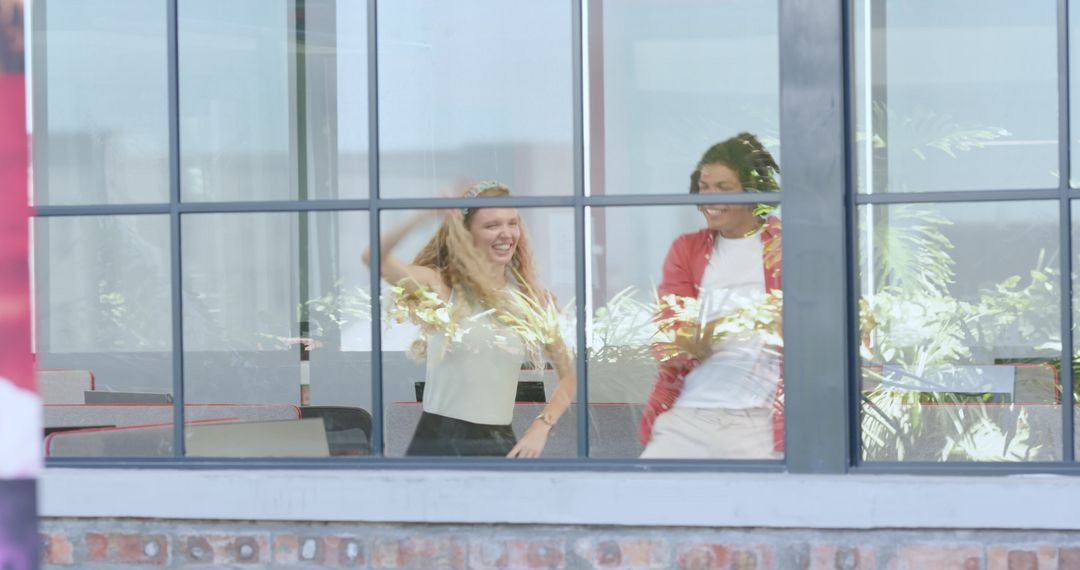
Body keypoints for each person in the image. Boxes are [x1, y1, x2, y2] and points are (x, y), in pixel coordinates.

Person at [362, 181, 576, 458]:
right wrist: (423, 215)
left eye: (512, 223)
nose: (506, 233)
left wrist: (542, 426)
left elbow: (570, 376)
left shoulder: (531, 299)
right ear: (467, 233)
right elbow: (373, 258)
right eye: (492, 225)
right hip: (437, 444)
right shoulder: (441, 288)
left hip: (499, 444)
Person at [639, 132, 784, 459]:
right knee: (642, 501)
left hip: (760, 419)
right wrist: (723, 329)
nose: (710, 198)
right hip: (690, 412)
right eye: (704, 187)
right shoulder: (687, 249)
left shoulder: (787, 246)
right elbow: (671, 344)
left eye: (723, 187)